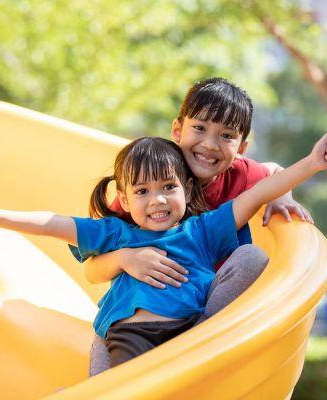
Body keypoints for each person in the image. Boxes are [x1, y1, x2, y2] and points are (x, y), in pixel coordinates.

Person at [0, 134, 326, 369]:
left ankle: (207, 341)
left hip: (193, 330)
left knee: (253, 258)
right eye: (142, 191)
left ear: (187, 191)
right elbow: (54, 223)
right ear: (125, 200)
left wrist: (311, 163)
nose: (157, 200)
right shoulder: (115, 233)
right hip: (132, 337)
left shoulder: (202, 229)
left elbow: (259, 192)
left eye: (168, 187)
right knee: (126, 387)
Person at [84, 77, 312, 375]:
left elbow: (275, 171)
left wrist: (281, 197)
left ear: (241, 148)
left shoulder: (241, 175)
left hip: (204, 308)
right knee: (106, 344)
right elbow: (92, 270)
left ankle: (195, 341)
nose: (209, 144)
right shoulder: (146, 182)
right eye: (200, 128)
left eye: (226, 135)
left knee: (251, 258)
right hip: (146, 312)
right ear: (178, 130)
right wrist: (124, 258)